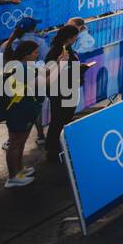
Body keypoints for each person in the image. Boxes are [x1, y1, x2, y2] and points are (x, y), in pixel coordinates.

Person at [2, 39, 45, 188]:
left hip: (22, 110)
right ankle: (13, 177)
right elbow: (43, 83)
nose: (37, 54)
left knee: (20, 142)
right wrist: (60, 66)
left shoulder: (21, 65)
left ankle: (19, 170)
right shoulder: (23, 68)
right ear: (26, 55)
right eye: (35, 52)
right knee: (15, 143)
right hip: (18, 111)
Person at [43, 20, 87, 163]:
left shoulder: (65, 50)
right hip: (61, 92)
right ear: (69, 38)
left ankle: (58, 148)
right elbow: (51, 74)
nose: (76, 39)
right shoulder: (56, 52)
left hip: (67, 90)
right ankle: (53, 152)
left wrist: (79, 68)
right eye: (75, 36)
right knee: (58, 121)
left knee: (62, 120)